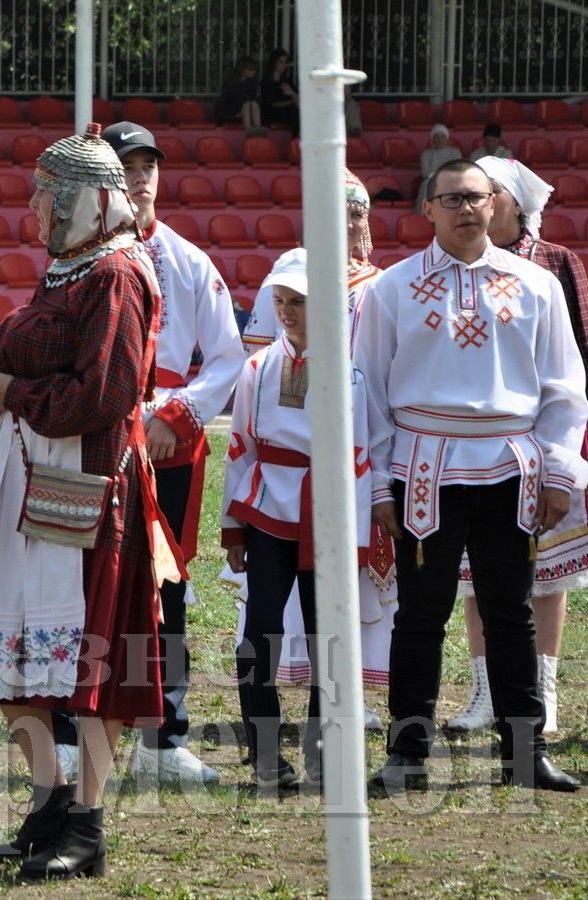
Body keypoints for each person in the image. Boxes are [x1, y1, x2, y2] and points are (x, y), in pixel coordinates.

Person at [0, 123, 169, 880]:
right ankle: (47, 804)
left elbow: (105, 394)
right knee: (15, 650)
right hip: (29, 483)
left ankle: (87, 822)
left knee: (94, 657)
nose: (36, 209)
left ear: (84, 202)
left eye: (50, 195)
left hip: (87, 489)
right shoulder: (68, 273)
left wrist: (15, 393)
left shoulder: (117, 275)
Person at [359, 159, 585, 794]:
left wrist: (560, 470)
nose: (464, 209)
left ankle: (524, 751)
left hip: (510, 468)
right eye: (450, 199)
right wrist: (377, 482)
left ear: (497, 206)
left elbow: (565, 384)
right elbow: (368, 391)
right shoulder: (392, 289)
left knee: (510, 610)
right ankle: (407, 754)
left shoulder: (535, 285)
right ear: (426, 209)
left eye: (476, 198)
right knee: (420, 614)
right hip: (423, 465)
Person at [100, 121, 242, 787]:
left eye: (148, 164)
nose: (140, 176)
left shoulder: (189, 262)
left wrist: (176, 416)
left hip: (167, 449)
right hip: (100, 445)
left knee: (164, 591)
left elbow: (225, 359)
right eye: (127, 165)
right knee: (89, 585)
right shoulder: (83, 260)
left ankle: (163, 736)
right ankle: (81, 725)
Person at [239, 169, 395, 729]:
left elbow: (379, 404)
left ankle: (331, 724)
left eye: (358, 212)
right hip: (274, 502)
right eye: (339, 210)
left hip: (340, 487)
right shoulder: (265, 349)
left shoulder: (383, 288)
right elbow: (246, 430)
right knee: (265, 618)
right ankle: (264, 732)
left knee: (331, 614)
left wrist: (377, 490)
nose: (350, 221)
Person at [222, 248, 374, 789]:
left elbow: (364, 452)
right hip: (266, 512)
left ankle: (325, 751)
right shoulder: (257, 368)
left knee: (325, 635)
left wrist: (363, 524)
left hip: (327, 515)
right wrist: (231, 524)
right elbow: (238, 447)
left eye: (300, 301)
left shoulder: (351, 373)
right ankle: (265, 755)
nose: (287, 311)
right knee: (258, 630)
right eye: (280, 301)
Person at [447, 157, 588, 736]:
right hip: (472, 450)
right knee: (477, 578)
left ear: (511, 200)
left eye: (489, 192)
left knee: (545, 577)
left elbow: (576, 358)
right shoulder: (451, 264)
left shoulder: (555, 264)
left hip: (539, 443)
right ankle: (485, 694)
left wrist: (566, 449)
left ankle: (543, 692)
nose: (475, 202)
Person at [416, 124, 461, 212]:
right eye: (436, 137)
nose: (439, 140)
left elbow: (456, 170)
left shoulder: (455, 152)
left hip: (450, 180)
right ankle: (426, 214)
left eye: (442, 137)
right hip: (431, 180)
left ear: (447, 139)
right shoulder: (426, 154)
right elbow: (425, 172)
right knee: (427, 185)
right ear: (432, 139)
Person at [215, 56, 263, 134]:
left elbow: (254, 100)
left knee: (253, 103)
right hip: (231, 114)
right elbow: (222, 104)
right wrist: (235, 114)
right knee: (246, 103)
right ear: (242, 70)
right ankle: (249, 132)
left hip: (246, 114)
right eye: (250, 69)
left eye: (254, 69)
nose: (253, 72)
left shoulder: (252, 83)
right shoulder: (230, 83)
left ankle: (258, 131)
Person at [260, 48, 299, 135]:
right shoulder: (267, 82)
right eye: (281, 62)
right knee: (295, 114)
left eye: (285, 62)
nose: (284, 65)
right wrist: (290, 101)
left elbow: (298, 99)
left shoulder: (286, 81)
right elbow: (270, 103)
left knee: (298, 113)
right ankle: (294, 140)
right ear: (274, 63)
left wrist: (292, 94)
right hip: (272, 112)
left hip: (287, 112)